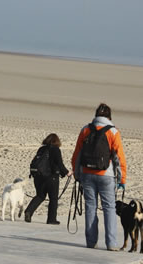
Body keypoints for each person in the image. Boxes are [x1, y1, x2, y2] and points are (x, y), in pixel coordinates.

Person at [71, 103, 127, 251]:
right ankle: (111, 243)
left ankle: (91, 242)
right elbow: (119, 158)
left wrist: (77, 174)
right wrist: (122, 179)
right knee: (109, 208)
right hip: (106, 175)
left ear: (96, 115)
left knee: (91, 207)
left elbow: (77, 154)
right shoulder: (113, 132)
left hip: (87, 174)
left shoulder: (86, 129)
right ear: (109, 116)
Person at [24, 133, 70, 225]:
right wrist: (67, 173)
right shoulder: (56, 150)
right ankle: (51, 219)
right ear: (56, 141)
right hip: (51, 177)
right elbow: (59, 164)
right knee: (53, 199)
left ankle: (29, 211)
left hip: (38, 176)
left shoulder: (41, 149)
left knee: (40, 195)